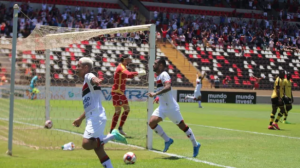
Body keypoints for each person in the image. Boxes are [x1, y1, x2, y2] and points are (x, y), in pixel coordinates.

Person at [72, 57, 127, 168]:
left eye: (78, 66)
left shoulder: (88, 76)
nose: (76, 68)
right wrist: (80, 119)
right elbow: (89, 106)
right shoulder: (85, 83)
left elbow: (92, 77)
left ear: (86, 67)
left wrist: (96, 80)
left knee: (86, 144)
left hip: (96, 117)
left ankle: (112, 136)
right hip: (94, 115)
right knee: (98, 148)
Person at [147, 57, 201, 157]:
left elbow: (168, 87)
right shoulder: (158, 76)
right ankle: (168, 140)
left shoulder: (164, 74)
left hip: (172, 108)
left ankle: (195, 144)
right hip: (162, 107)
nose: (153, 65)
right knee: (151, 123)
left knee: (183, 127)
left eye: (155, 63)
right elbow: (163, 89)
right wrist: (158, 97)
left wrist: (155, 94)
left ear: (161, 65)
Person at [110, 55, 146, 135]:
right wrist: (138, 73)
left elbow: (127, 75)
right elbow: (128, 75)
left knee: (127, 109)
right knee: (118, 112)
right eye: (127, 60)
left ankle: (120, 128)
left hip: (121, 93)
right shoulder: (121, 67)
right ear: (123, 60)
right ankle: (111, 131)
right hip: (116, 92)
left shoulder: (123, 67)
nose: (129, 61)